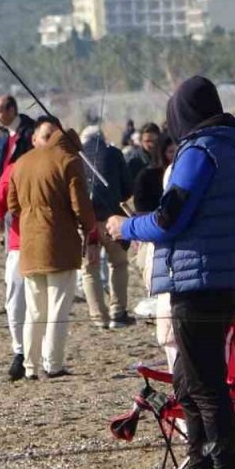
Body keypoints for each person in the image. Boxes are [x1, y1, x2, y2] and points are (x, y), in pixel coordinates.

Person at [107, 75, 235, 469]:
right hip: (229, 278)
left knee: (205, 385)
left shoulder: (200, 152)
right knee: (190, 382)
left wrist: (126, 226)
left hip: (198, 282)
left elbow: (169, 218)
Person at [6, 117, 97, 380]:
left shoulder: (21, 163)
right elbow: (81, 207)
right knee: (58, 307)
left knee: (35, 308)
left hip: (30, 245)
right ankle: (53, 364)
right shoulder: (68, 161)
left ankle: (31, 366)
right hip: (60, 244)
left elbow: (13, 206)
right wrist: (88, 226)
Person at [0, 95, 37, 381]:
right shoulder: (5, 142)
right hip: (17, 234)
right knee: (15, 295)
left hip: (41, 236)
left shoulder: (29, 133)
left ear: (12, 110)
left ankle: (39, 355)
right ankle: (21, 352)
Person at [79, 125, 134, 330]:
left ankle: (98, 317)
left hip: (87, 223)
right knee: (118, 264)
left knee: (89, 269)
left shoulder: (76, 156)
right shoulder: (114, 153)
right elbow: (127, 187)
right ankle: (118, 312)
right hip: (113, 219)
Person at [130, 133, 174, 214]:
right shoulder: (145, 176)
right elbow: (141, 210)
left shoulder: (182, 171)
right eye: (171, 152)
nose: (175, 156)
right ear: (162, 153)